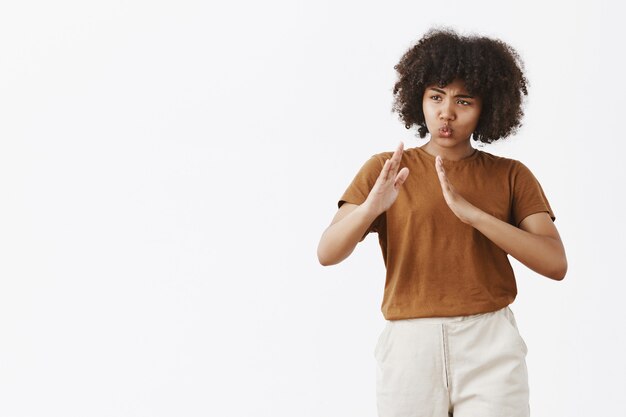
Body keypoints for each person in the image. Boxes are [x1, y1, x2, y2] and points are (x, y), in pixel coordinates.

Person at [317, 28, 567, 417]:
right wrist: (370, 209)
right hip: (410, 344)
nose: (446, 112)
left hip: (490, 342)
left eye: (462, 101)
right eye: (436, 96)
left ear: (488, 109)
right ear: (419, 98)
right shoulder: (387, 169)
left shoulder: (511, 175)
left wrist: (475, 215)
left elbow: (555, 263)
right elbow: (327, 252)